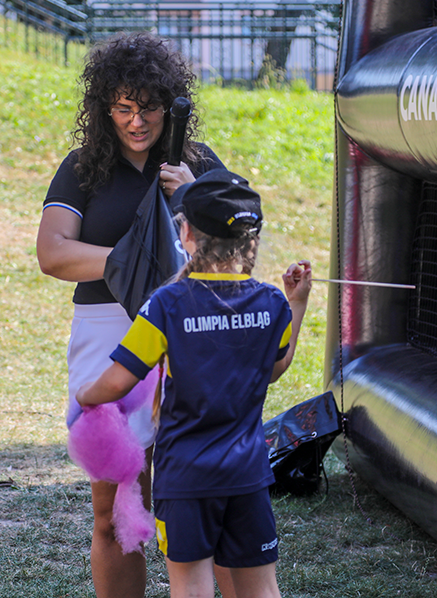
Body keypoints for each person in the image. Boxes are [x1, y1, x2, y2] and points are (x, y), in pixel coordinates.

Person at [36, 32, 227, 597]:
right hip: (106, 333)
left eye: (148, 107)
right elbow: (53, 253)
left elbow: (236, 255)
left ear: (171, 107)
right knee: (114, 507)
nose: (136, 120)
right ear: (104, 108)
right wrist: (136, 263)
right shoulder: (83, 168)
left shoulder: (197, 163)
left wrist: (199, 197)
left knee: (187, 501)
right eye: (123, 107)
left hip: (185, 332)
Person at [76, 170, 313, 598]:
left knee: (190, 587)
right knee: (262, 588)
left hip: (185, 479)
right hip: (248, 477)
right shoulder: (272, 302)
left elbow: (114, 383)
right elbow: (276, 367)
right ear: (251, 240)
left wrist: (84, 396)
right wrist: (297, 304)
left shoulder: (167, 304)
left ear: (185, 232)